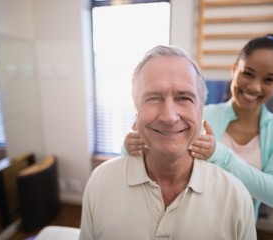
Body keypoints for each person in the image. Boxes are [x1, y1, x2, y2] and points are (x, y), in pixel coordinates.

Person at [80, 45, 256, 239]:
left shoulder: (235, 198)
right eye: (153, 98)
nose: (169, 117)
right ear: (136, 112)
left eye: (184, 98)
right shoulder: (101, 183)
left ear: (201, 110)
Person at [124, 34, 273, 219]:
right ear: (234, 69)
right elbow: (152, 155)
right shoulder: (197, 117)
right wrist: (130, 145)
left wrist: (219, 155)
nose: (255, 87)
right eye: (247, 73)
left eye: (269, 79)